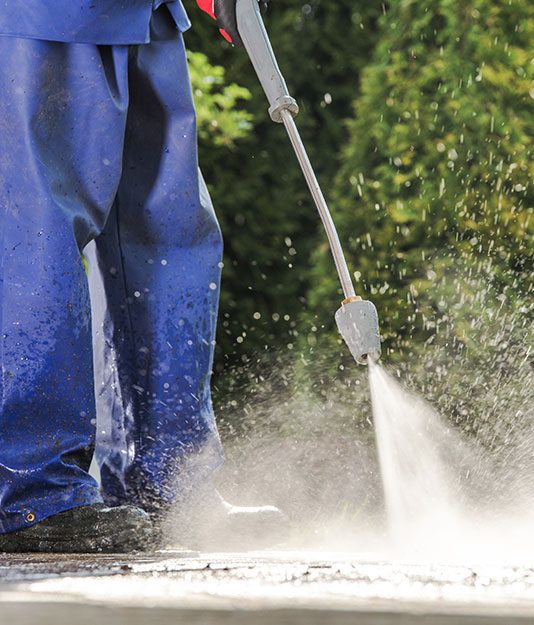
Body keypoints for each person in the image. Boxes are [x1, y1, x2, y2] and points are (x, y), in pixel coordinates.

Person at [0, 0, 282, 553]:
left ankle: (170, 479)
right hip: (47, 16)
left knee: (168, 231)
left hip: (148, 14)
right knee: (35, 232)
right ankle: (29, 486)